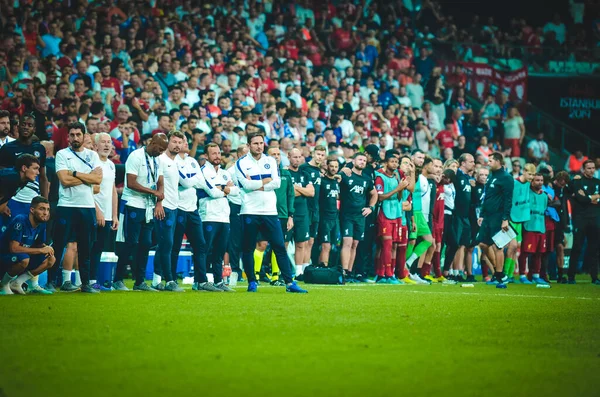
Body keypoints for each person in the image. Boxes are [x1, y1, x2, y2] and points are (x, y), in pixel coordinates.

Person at [234, 132, 306, 293]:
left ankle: (289, 283)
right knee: (248, 247)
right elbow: (245, 185)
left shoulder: (270, 161)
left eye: (261, 143)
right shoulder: (241, 163)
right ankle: (252, 281)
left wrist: (257, 183)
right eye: (255, 143)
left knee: (279, 246)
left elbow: (277, 183)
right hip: (249, 210)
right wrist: (265, 182)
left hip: (270, 211)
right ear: (248, 145)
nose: (259, 146)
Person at [53, 122, 102, 293]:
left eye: (78, 134)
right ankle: (51, 283)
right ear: (68, 137)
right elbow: (64, 181)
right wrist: (87, 177)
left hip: (87, 206)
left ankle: (85, 284)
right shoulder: (61, 154)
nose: (75, 138)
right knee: (59, 245)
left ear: (83, 135)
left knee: (85, 247)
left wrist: (74, 173)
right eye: (72, 135)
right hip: (66, 205)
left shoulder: (93, 155)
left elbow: (98, 180)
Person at [115, 134, 167, 292]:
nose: (161, 152)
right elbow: (130, 183)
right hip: (133, 204)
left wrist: (158, 201)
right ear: (152, 143)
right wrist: (152, 192)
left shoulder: (157, 159)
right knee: (130, 243)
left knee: (145, 244)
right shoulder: (135, 156)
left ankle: (140, 282)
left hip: (148, 208)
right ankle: (117, 279)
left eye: (164, 150)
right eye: (160, 149)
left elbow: (160, 182)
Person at [172, 141, 221, 292]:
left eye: (186, 141)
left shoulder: (192, 161)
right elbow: (187, 182)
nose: (187, 144)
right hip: (178, 207)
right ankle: (170, 279)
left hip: (192, 209)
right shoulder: (172, 161)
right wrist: (193, 179)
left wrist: (191, 179)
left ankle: (200, 281)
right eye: (182, 142)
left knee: (200, 245)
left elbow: (196, 182)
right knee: (174, 246)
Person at [196, 143, 238, 292]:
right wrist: (226, 189)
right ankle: (200, 281)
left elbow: (236, 191)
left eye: (219, 153)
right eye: (214, 154)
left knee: (219, 251)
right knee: (204, 249)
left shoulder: (225, 173)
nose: (217, 156)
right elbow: (212, 192)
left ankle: (218, 281)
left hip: (224, 216)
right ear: (206, 156)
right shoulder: (203, 171)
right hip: (208, 215)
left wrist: (222, 188)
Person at [254, 146, 294, 286]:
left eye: (278, 154)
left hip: (282, 215)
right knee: (261, 244)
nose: (276, 156)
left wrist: (291, 216)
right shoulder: (261, 172)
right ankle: (256, 276)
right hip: (263, 212)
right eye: (273, 154)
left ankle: (275, 277)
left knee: (279, 245)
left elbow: (290, 195)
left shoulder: (286, 174)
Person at [151, 131, 185, 292]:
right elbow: (158, 182)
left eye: (180, 142)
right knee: (167, 244)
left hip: (174, 207)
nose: (177, 145)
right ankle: (170, 280)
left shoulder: (176, 161)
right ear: (167, 143)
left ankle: (156, 280)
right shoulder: (161, 160)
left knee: (165, 244)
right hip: (164, 207)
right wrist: (159, 203)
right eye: (174, 141)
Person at [0, 196, 55, 295]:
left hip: (20, 257)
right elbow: (14, 248)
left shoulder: (41, 224)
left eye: (47, 209)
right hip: (5, 256)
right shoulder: (20, 220)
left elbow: (39, 244)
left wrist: (47, 248)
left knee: (51, 259)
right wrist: (41, 250)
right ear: (32, 210)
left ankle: (17, 283)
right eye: (42, 209)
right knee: (24, 259)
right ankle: (3, 285)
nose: (46, 213)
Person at [0, 114, 49, 220]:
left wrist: (45, 203)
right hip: (12, 200)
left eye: (30, 125)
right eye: (23, 124)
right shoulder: (7, 148)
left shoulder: (40, 149)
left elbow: (43, 177)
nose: (26, 127)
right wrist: (2, 204)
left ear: (34, 129)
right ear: (17, 127)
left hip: (34, 200)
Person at [338, 152, 378, 282]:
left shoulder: (366, 179)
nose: (362, 162)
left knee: (355, 244)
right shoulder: (346, 174)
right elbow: (336, 178)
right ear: (354, 161)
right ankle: (343, 272)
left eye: (364, 160)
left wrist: (370, 208)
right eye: (360, 159)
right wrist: (343, 168)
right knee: (347, 242)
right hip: (346, 214)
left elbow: (374, 194)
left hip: (360, 216)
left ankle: (349, 272)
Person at [476, 152, 514, 288]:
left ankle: (498, 275)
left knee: (499, 246)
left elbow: (508, 200)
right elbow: (487, 197)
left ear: (498, 161)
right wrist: (481, 214)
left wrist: (505, 219)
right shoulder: (492, 176)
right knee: (483, 244)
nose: (488, 162)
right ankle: (500, 273)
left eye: (491, 160)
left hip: (498, 217)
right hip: (487, 217)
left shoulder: (507, 178)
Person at [374, 152, 409, 284]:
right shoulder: (380, 177)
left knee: (394, 245)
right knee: (386, 244)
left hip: (397, 214)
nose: (395, 164)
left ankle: (386, 273)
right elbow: (379, 197)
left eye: (396, 162)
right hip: (385, 214)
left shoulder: (396, 177)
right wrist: (397, 189)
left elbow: (400, 198)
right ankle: (386, 275)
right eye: (392, 161)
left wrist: (401, 189)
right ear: (386, 162)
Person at [91, 132, 119, 291]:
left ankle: (93, 280)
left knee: (98, 248)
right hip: (93, 212)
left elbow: (113, 190)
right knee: (89, 248)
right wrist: (98, 211)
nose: (107, 145)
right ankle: (86, 281)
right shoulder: (92, 163)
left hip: (107, 214)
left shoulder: (111, 164)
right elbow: (87, 189)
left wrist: (114, 215)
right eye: (103, 142)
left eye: (109, 142)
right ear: (95, 146)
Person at [567, 160, 600, 285]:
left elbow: (583, 198)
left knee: (594, 249)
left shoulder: (598, 182)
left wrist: (587, 197)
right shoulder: (578, 181)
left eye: (593, 168)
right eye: (589, 168)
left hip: (595, 219)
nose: (591, 170)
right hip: (580, 219)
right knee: (577, 248)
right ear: (583, 169)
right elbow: (580, 199)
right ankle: (571, 277)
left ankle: (594, 277)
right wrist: (594, 197)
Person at [445, 154, 474, 282]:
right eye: (471, 161)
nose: (473, 163)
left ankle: (458, 271)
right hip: (455, 215)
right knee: (454, 245)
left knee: (462, 245)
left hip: (465, 216)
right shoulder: (454, 178)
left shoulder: (467, 178)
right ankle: (450, 271)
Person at [506, 163, 536, 283]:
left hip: (520, 219)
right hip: (511, 218)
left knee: (515, 247)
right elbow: (507, 200)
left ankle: (510, 274)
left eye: (533, 174)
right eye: (530, 174)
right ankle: (504, 273)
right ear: (523, 171)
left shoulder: (529, 184)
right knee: (512, 246)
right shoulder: (514, 183)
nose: (531, 177)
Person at [288, 147, 315, 279]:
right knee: (284, 243)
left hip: (302, 213)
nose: (297, 160)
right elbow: (289, 193)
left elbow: (311, 192)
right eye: (294, 157)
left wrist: (297, 188)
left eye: (299, 157)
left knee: (301, 243)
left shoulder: (305, 174)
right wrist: (302, 190)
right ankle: (281, 272)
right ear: (289, 157)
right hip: (287, 213)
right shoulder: (285, 173)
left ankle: (298, 272)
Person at [518, 174, 549, 285]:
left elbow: (544, 208)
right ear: (532, 182)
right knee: (525, 252)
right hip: (529, 226)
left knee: (539, 253)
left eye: (541, 180)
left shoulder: (545, 196)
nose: (540, 182)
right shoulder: (526, 193)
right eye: (537, 180)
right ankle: (522, 275)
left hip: (541, 227)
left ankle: (536, 275)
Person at [0, 154, 41, 231]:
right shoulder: (10, 178)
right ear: (24, 168)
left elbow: (6, 197)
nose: (38, 172)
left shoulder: (23, 181)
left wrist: (4, 206)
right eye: (35, 168)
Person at [300, 145, 325, 269]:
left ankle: (306, 268)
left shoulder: (319, 171)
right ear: (313, 153)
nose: (320, 157)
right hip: (305, 208)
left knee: (311, 241)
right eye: (318, 154)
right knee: (303, 241)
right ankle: (299, 268)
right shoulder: (304, 168)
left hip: (316, 209)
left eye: (322, 155)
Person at [226, 145, 249, 280]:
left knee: (249, 240)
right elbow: (227, 189)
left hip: (250, 207)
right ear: (239, 155)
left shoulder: (252, 169)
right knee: (235, 240)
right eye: (246, 154)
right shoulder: (230, 171)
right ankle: (235, 269)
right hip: (235, 206)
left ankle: (250, 269)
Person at [318, 156, 340, 268]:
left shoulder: (336, 182)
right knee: (325, 245)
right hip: (324, 217)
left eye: (336, 167)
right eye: (331, 166)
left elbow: (337, 198)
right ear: (327, 166)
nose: (333, 169)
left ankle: (322, 267)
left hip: (334, 217)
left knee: (331, 245)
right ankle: (324, 268)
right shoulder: (321, 181)